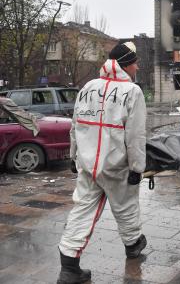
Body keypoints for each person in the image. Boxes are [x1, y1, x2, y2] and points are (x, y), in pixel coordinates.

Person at [57, 42, 147, 284]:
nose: (137, 67)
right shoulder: (132, 91)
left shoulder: (87, 87)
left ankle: (68, 268)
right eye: (135, 62)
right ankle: (133, 245)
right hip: (116, 166)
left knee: (81, 211)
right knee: (126, 207)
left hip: (87, 165)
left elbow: (75, 125)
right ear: (127, 65)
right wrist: (138, 167)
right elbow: (136, 135)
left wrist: (73, 156)